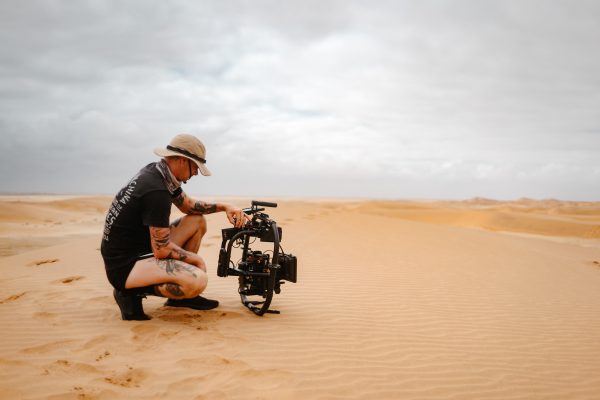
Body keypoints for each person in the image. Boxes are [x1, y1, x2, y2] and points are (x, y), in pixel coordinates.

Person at [100, 134, 248, 320]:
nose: (196, 173)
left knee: (197, 221)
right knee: (197, 280)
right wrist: (195, 260)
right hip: (125, 266)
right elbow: (161, 249)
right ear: (182, 160)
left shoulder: (159, 172)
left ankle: (179, 300)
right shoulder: (156, 190)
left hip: (141, 248)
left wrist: (225, 207)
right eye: (195, 167)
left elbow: (188, 206)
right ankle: (128, 293)